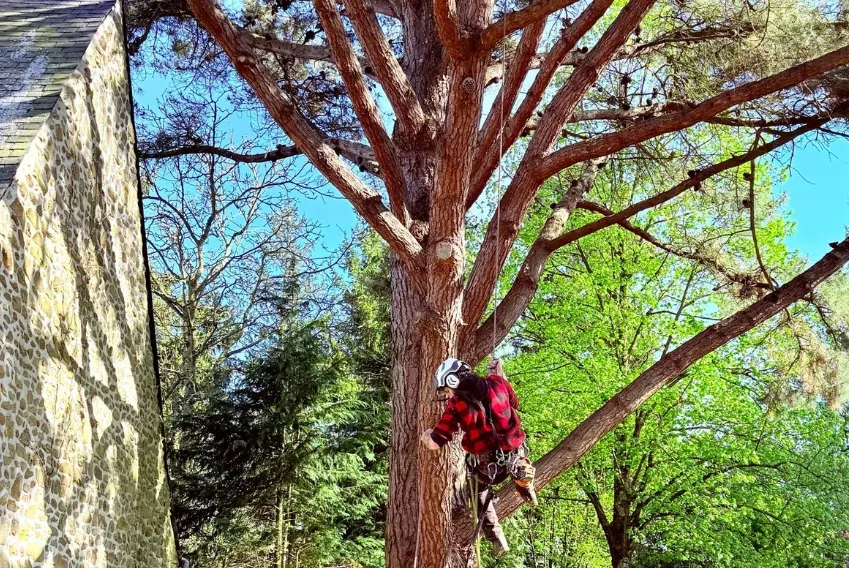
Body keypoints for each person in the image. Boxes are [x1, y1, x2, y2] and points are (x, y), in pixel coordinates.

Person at [421, 357, 537, 554]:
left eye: (448, 391)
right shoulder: (496, 383)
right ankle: (524, 481)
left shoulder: (456, 404)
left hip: (489, 464)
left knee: (477, 492)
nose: (448, 396)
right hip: (514, 450)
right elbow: (514, 402)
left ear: (453, 382)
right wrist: (500, 375)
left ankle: (497, 538)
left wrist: (425, 436)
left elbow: (435, 442)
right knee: (516, 460)